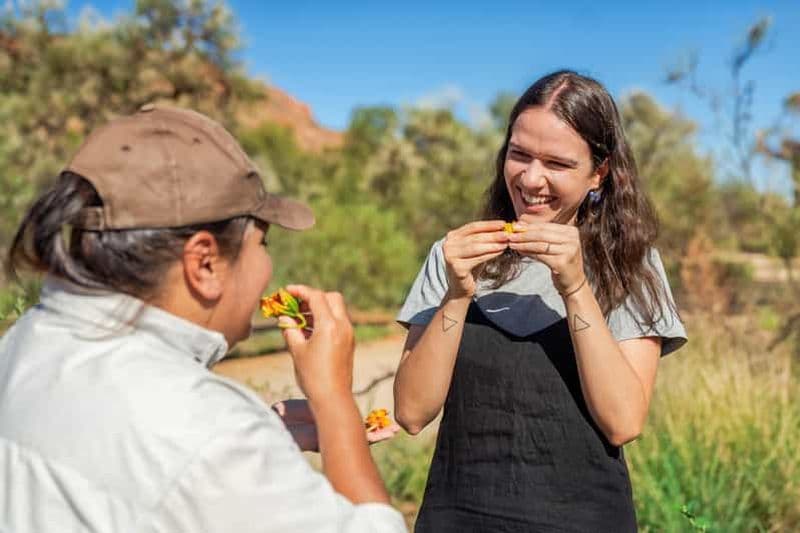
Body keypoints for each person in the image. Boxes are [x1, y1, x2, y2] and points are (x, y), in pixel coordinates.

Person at [0, 105, 404, 533]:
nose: (267, 266)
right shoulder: (211, 433)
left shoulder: (24, 342)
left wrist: (265, 435)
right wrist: (334, 400)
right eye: (263, 244)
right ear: (205, 263)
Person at [394, 70, 687, 532]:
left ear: (599, 173)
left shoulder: (631, 265)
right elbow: (412, 413)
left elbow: (623, 422)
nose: (531, 179)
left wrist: (575, 287)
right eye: (519, 154)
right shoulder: (454, 255)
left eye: (557, 163)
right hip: (456, 519)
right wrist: (457, 294)